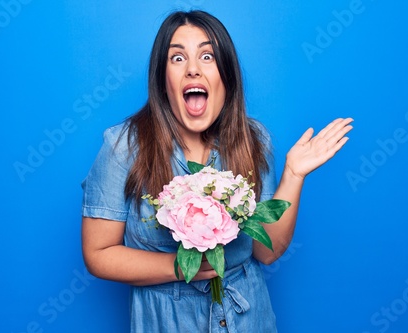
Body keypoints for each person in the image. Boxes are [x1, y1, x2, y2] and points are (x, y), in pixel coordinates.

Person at [81, 10, 353, 332]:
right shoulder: (123, 147)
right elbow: (98, 254)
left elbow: (266, 252)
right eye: (177, 58)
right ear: (161, 79)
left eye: (207, 56)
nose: (193, 69)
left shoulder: (254, 140)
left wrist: (294, 175)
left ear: (226, 75)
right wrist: (184, 267)